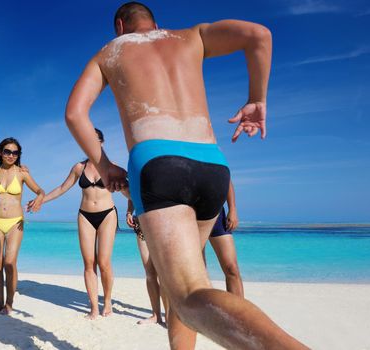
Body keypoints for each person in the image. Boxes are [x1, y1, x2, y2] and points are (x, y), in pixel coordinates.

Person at [64, 2, 307, 349]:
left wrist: (105, 167)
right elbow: (259, 35)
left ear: (120, 25)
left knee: (188, 293)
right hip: (212, 165)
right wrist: (257, 99)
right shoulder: (192, 36)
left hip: (158, 163)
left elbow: (74, 113)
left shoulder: (111, 51)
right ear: (155, 22)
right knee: (187, 283)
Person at [34, 128, 118, 319]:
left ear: (102, 143)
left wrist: (133, 209)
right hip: (85, 215)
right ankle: (94, 308)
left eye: (96, 140)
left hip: (107, 215)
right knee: (89, 263)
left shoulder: (112, 166)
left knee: (104, 262)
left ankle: (107, 301)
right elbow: (63, 188)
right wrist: (42, 200)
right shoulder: (79, 167)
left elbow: (127, 190)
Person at [0, 137, 45, 314]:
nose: (11, 155)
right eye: (7, 151)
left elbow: (40, 190)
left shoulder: (22, 173)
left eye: (15, 152)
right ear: (0, 152)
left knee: (10, 263)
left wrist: (39, 198)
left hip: (15, 222)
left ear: (18, 155)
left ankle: (9, 303)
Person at [126, 199, 167, 325]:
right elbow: (132, 193)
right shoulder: (136, 177)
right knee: (150, 273)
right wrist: (129, 212)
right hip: (141, 222)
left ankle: (170, 316)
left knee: (163, 274)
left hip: (161, 221)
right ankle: (156, 316)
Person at [206, 180, 244, 297]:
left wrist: (232, 209)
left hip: (217, 214)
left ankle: (238, 312)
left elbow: (226, 180)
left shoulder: (213, 161)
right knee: (198, 272)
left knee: (231, 268)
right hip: (188, 215)